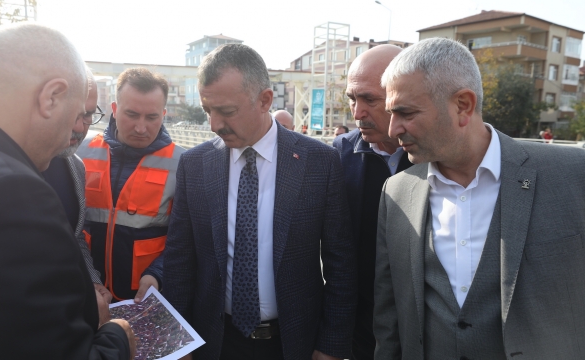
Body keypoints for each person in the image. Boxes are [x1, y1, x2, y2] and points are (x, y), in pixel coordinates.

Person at [374, 37, 585, 359]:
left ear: (463, 105)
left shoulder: (572, 174)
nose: (393, 129)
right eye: (391, 113)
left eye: (405, 113)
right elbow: (389, 313)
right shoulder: (397, 192)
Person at [0, 23, 134, 359]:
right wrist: (116, 337)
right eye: (74, 117)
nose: (71, 135)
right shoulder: (7, 193)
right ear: (51, 97)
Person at [163, 44, 357, 360]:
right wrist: (177, 340)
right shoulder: (195, 165)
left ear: (265, 100)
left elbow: (340, 263)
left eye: (226, 111)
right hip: (215, 342)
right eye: (207, 110)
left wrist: (331, 345)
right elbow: (179, 260)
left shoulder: (319, 162)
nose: (214, 124)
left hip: (292, 343)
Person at [77, 67, 185, 303]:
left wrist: (158, 274)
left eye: (151, 117)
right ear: (114, 110)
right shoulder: (80, 153)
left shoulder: (184, 164)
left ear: (163, 114)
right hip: (86, 292)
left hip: (146, 299)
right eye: (132, 114)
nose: (140, 128)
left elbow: (187, 239)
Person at [332, 44, 411, 360]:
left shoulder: (438, 157)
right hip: (359, 332)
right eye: (352, 99)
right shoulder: (337, 154)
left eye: (370, 99)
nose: (357, 113)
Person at [41, 68, 112, 303]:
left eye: (89, 115)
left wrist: (91, 279)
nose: (81, 128)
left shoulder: (75, 167)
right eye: (75, 115)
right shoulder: (5, 165)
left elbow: (74, 236)